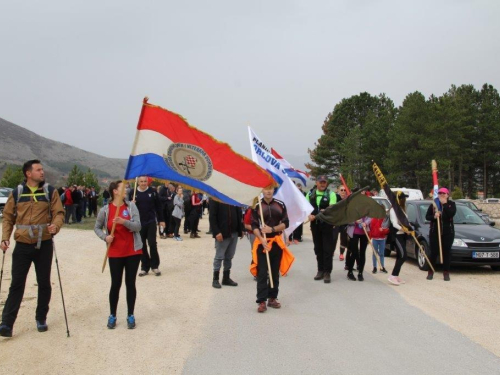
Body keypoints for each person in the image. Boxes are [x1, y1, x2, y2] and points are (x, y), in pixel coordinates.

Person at [0, 160, 64, 337]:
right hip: (22, 244)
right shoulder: (17, 193)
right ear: (28, 173)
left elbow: (59, 213)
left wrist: (55, 226)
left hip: (43, 243)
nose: (42, 172)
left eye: (42, 169)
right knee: (17, 283)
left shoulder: (50, 191)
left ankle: (41, 317)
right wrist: (5, 238)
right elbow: (7, 217)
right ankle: (7, 323)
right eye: (38, 170)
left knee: (44, 282)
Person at [94, 181, 142, 329]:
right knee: (115, 284)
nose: (126, 189)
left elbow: (138, 226)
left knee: (130, 283)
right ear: (115, 191)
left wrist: (124, 222)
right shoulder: (105, 210)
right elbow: (97, 227)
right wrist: (105, 237)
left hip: (132, 251)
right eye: (123, 187)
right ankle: (112, 315)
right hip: (114, 252)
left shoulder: (131, 206)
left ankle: (130, 315)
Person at [251, 187, 292, 313]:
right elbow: (254, 225)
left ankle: (272, 297)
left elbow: (286, 223)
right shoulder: (256, 205)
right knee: (262, 272)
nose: (268, 191)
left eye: (270, 189)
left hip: (276, 242)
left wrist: (272, 229)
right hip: (262, 243)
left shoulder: (280, 205)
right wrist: (261, 239)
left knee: (274, 271)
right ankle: (262, 300)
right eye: (266, 189)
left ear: (273, 190)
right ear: (262, 191)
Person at [130, 176, 165, 277]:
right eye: (141, 181)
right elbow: (127, 208)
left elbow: (159, 207)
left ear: (148, 182)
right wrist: (131, 205)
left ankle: (155, 266)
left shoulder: (153, 192)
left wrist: (161, 220)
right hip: (138, 223)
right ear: (138, 182)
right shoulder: (133, 193)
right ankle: (144, 267)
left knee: (152, 243)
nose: (143, 183)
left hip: (150, 221)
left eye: (145, 181)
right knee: (141, 245)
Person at [306, 175, 337, 283]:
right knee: (318, 248)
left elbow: (332, 208)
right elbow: (306, 207)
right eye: (321, 182)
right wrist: (309, 215)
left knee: (327, 249)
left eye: (324, 182)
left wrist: (326, 211)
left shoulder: (331, 194)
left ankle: (327, 272)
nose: (323, 184)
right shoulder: (310, 194)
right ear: (316, 183)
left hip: (327, 225)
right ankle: (320, 270)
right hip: (315, 225)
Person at [209, 200, 243, 288]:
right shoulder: (215, 197)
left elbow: (239, 213)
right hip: (222, 233)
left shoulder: (233, 198)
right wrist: (216, 232)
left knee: (229, 256)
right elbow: (212, 216)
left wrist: (241, 229)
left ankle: (226, 278)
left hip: (234, 232)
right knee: (219, 257)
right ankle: (215, 279)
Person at [425, 187, 456, 281]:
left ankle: (446, 272)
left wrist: (445, 204)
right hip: (435, 232)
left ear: (447, 195)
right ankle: (430, 271)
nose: (442, 195)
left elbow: (451, 214)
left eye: (444, 193)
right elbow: (427, 216)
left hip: (448, 232)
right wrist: (434, 216)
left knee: (447, 252)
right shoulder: (434, 204)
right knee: (433, 252)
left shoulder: (451, 204)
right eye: (440, 193)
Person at [388, 191, 410, 286]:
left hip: (403, 235)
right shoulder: (393, 210)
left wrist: (409, 228)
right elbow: (394, 223)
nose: (404, 200)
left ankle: (396, 275)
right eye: (403, 198)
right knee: (403, 255)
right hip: (397, 235)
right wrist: (403, 229)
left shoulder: (402, 209)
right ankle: (392, 275)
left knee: (399, 256)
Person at [346, 217, 371, 281]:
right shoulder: (353, 209)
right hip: (354, 233)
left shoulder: (367, 209)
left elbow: (370, 217)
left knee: (362, 253)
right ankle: (350, 272)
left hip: (364, 233)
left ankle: (360, 273)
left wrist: (366, 223)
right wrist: (355, 221)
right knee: (354, 253)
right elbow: (347, 220)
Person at [370, 207, 390, 274]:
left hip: (382, 239)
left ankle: (382, 266)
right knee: (374, 253)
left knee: (382, 253)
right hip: (375, 238)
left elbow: (387, 229)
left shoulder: (384, 219)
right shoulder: (373, 219)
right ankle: (374, 267)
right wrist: (371, 236)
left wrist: (383, 231)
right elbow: (371, 229)